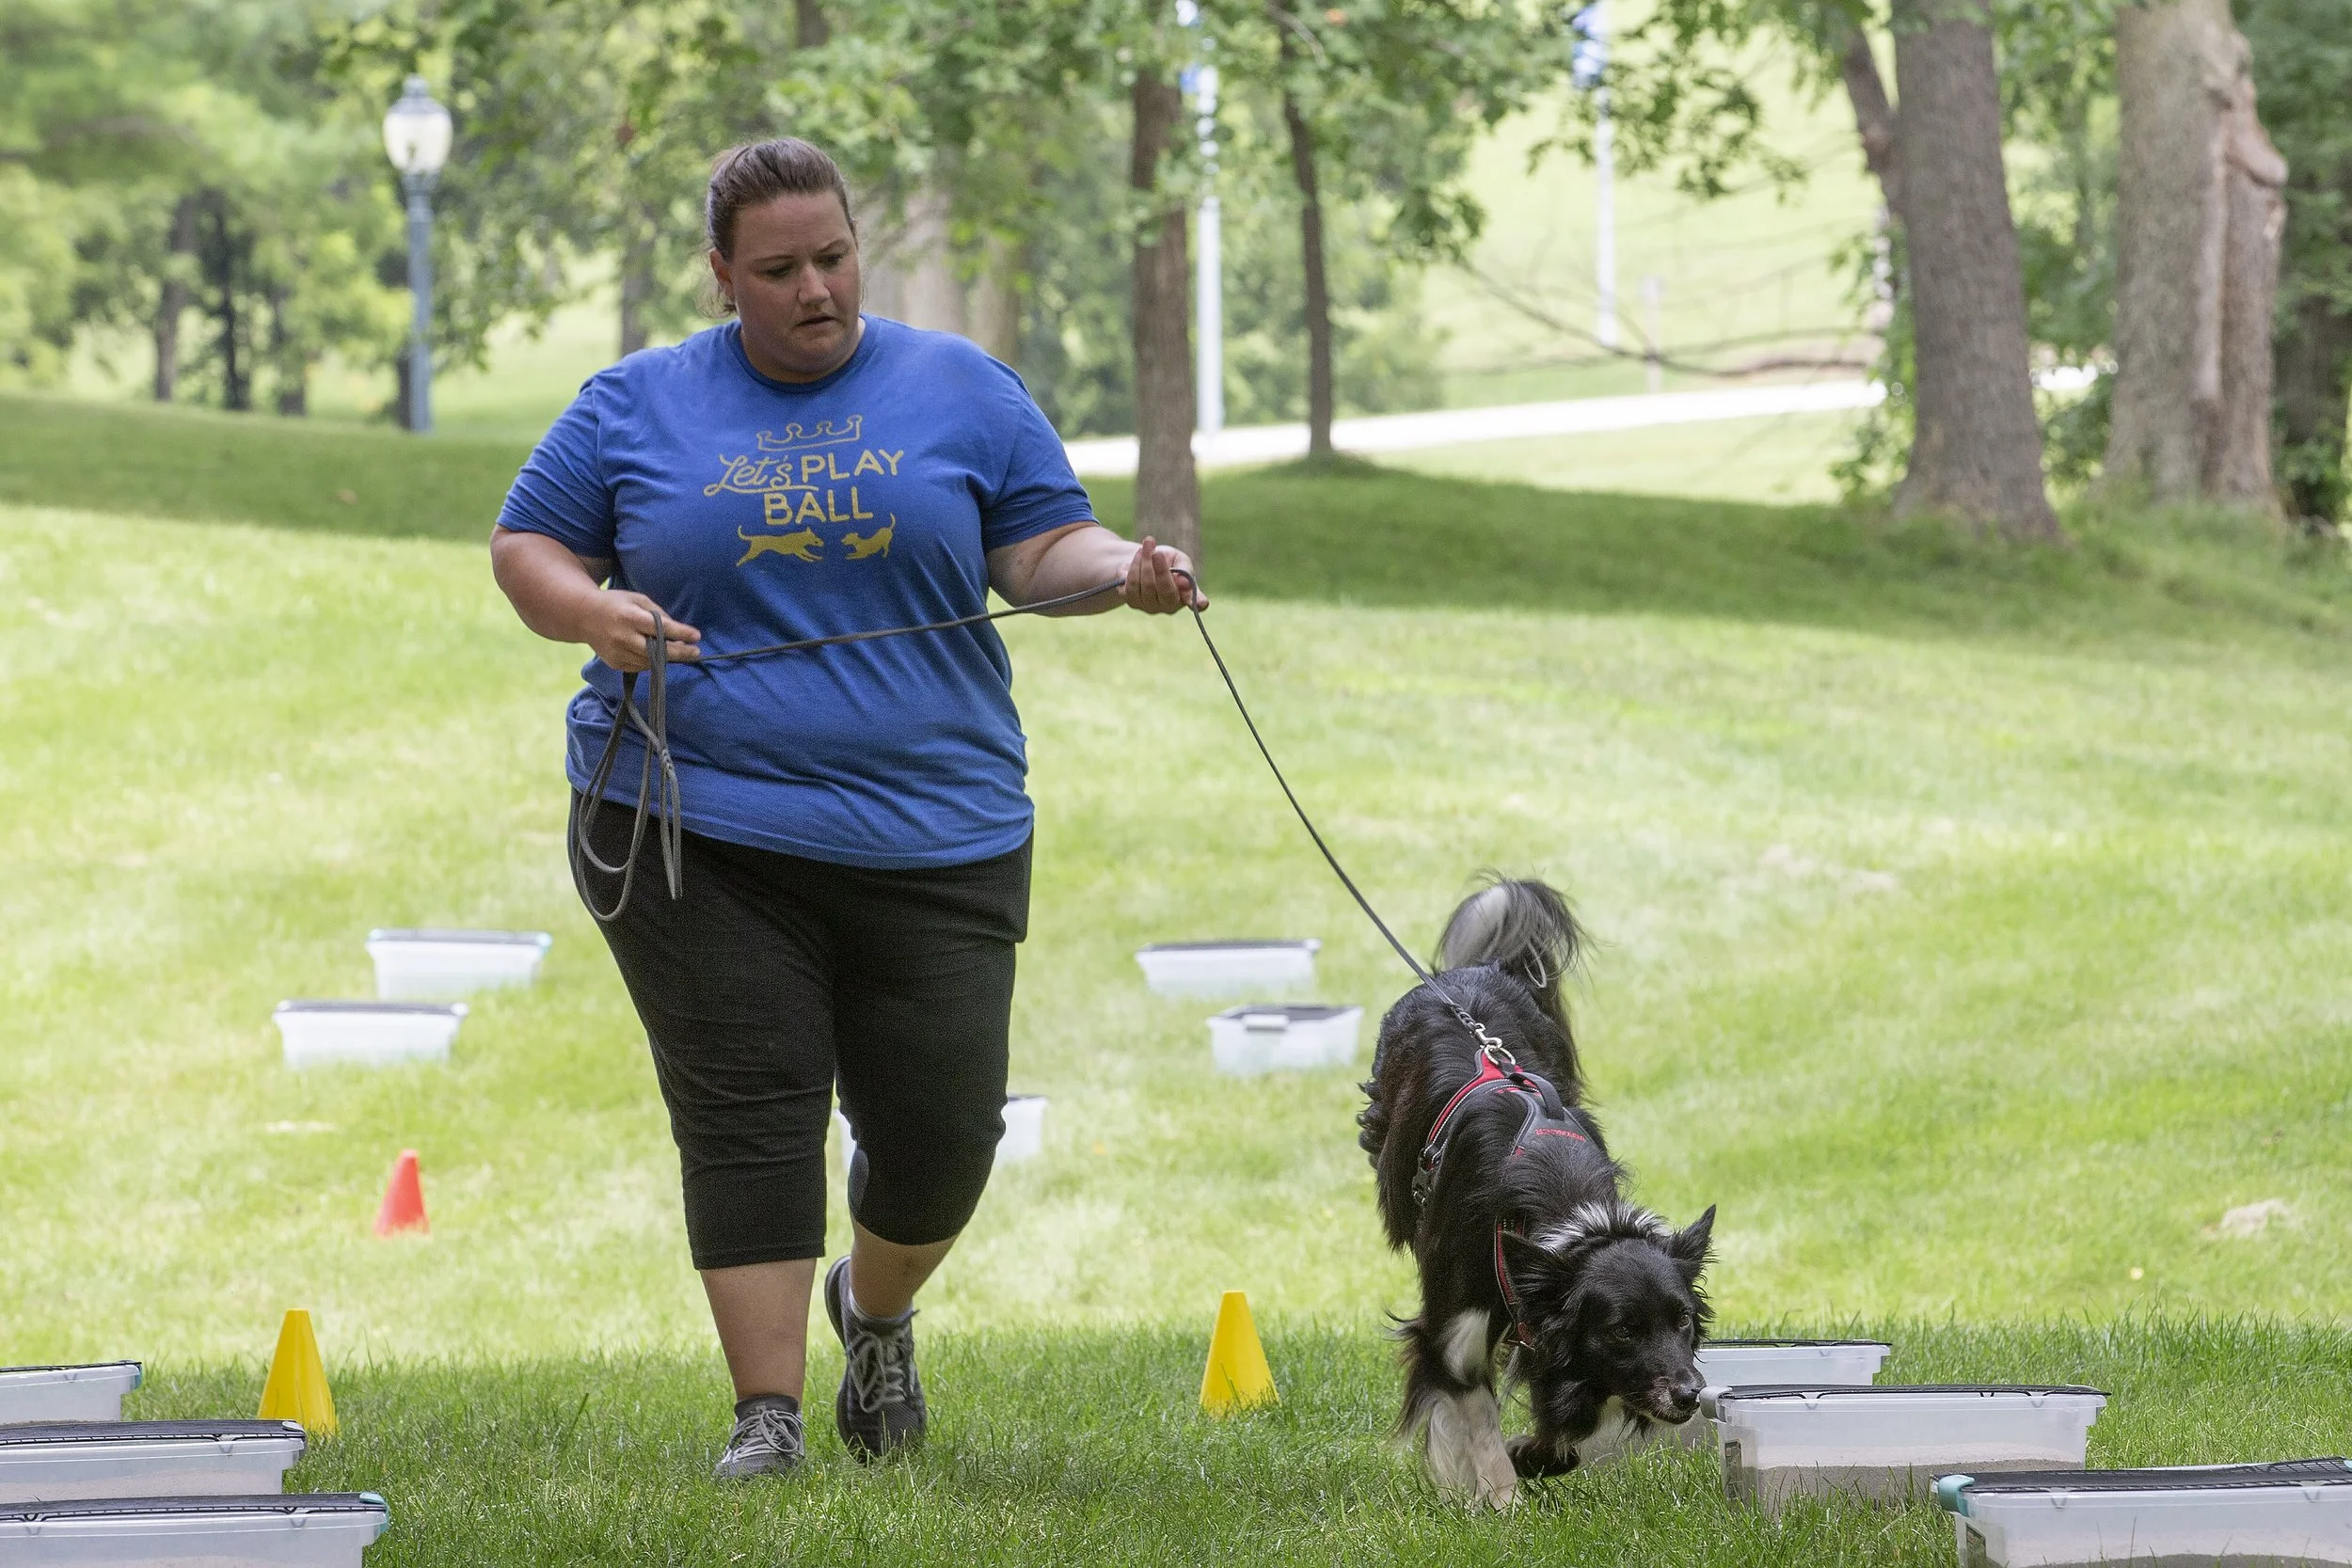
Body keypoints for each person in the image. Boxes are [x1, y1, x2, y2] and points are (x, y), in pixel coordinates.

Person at [488, 136, 1202, 1479]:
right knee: (751, 1106)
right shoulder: (634, 404)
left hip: (939, 824)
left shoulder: (960, 388)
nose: (815, 287)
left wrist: (1130, 570)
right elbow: (525, 545)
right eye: (778, 269)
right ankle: (767, 1418)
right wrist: (594, 611)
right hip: (696, 815)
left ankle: (873, 1313)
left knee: (942, 1131)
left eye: (833, 255)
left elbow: (1045, 546)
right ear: (721, 276)